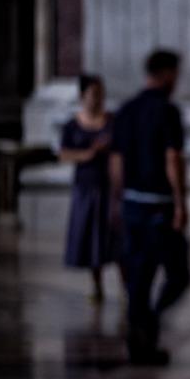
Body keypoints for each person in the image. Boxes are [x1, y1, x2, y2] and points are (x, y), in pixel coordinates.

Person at [110, 49, 190, 365]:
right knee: (179, 274)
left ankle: (139, 339)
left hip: (132, 204)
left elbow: (116, 162)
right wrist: (181, 203)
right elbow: (173, 158)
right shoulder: (167, 111)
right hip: (160, 207)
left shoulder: (126, 111)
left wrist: (118, 201)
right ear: (167, 73)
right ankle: (150, 325)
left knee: (138, 278)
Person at [58, 73, 117, 302]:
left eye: (100, 94)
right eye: (94, 94)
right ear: (83, 96)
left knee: (113, 237)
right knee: (92, 237)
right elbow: (63, 153)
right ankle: (96, 284)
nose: (98, 99)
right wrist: (89, 153)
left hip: (108, 185)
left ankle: (126, 286)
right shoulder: (73, 124)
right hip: (86, 185)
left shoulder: (111, 121)